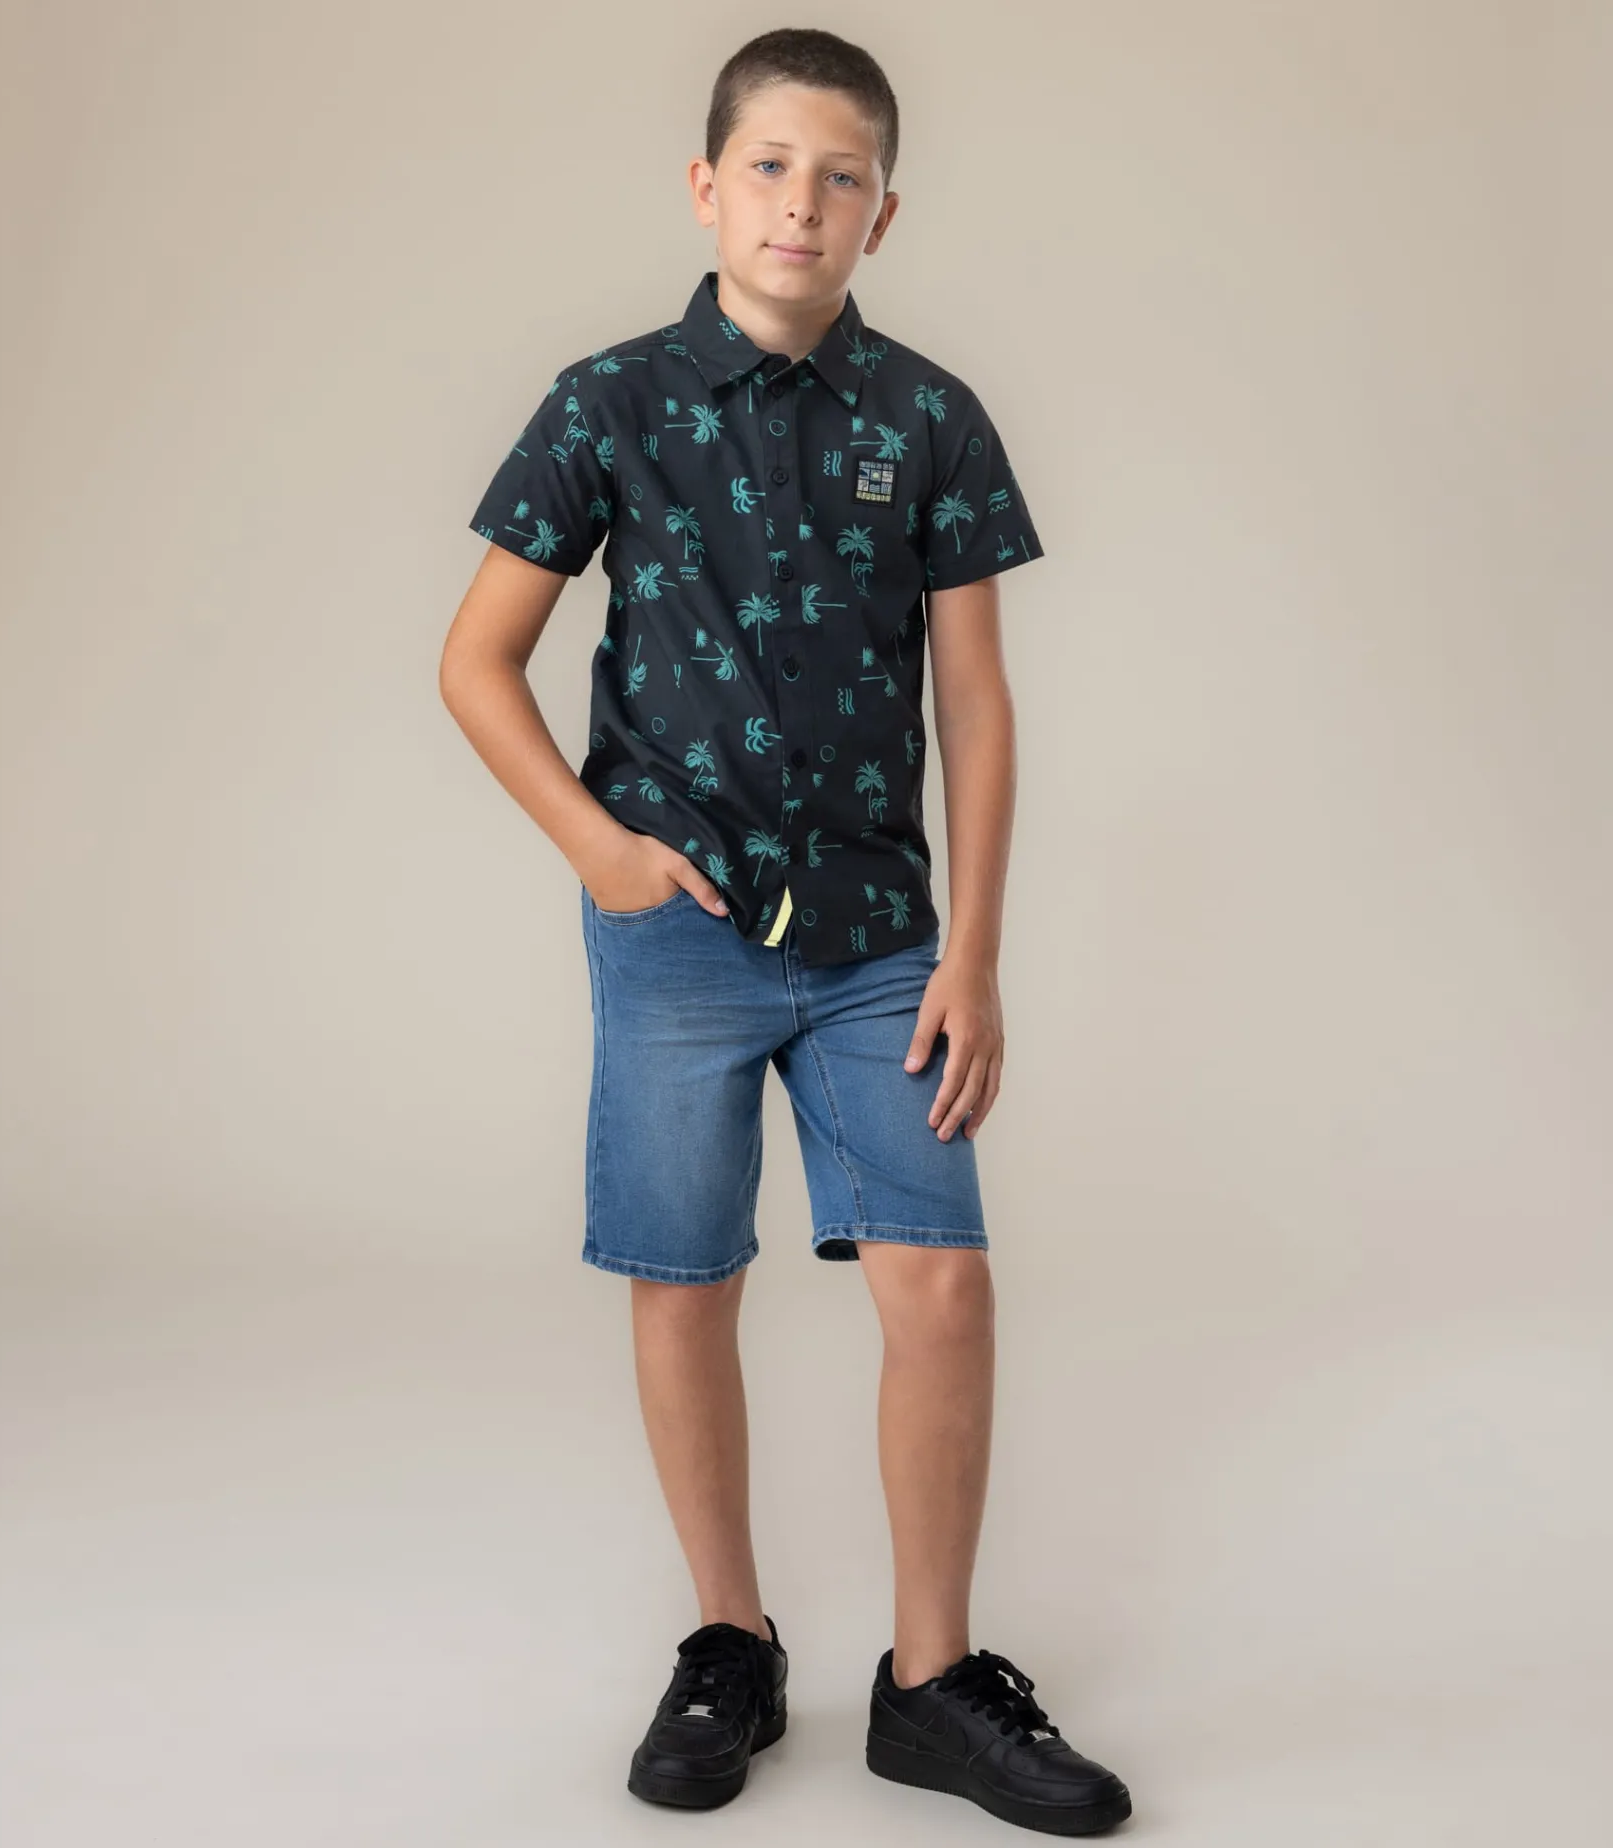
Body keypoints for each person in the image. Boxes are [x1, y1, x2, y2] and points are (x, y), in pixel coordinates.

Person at [439, 26, 1131, 1837]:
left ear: (882, 214)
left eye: (840, 178)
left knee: (942, 1280)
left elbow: (975, 706)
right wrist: (595, 848)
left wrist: (975, 953)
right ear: (705, 187)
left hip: (882, 935)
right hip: (676, 930)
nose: (800, 204)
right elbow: (476, 659)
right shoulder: (606, 405)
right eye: (768, 167)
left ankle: (931, 1681)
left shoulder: (932, 418)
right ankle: (729, 1642)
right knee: (686, 1280)